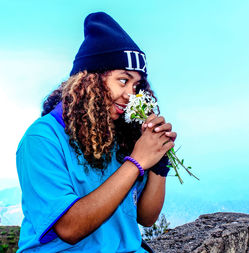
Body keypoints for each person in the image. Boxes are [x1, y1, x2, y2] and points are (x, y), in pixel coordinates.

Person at [16, 12, 176, 252]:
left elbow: (146, 217)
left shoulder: (120, 133)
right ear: (89, 80)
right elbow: (69, 228)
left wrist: (158, 162)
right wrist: (137, 161)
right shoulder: (42, 139)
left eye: (137, 85)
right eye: (123, 80)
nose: (131, 95)